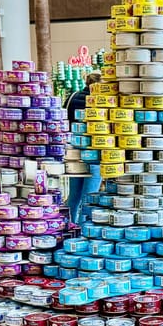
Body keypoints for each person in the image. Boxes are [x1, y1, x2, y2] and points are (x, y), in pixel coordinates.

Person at [65, 72, 102, 225]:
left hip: (75, 152)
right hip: (93, 153)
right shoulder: (100, 101)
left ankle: (68, 226)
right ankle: (83, 231)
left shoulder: (72, 97)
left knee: (74, 195)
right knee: (90, 197)